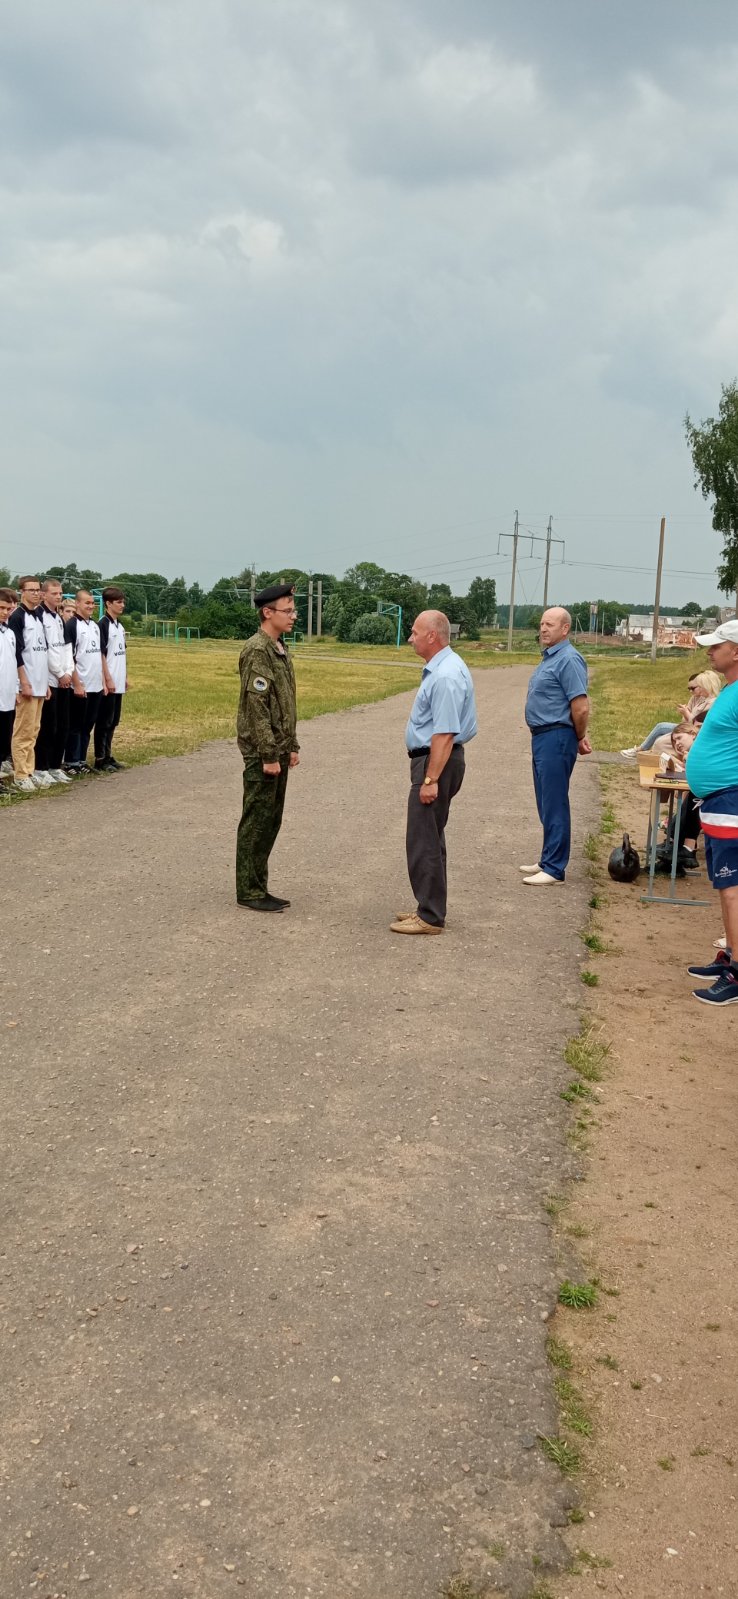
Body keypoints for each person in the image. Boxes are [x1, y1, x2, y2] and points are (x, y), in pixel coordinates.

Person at [390, 610, 477, 935]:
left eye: (414, 632)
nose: (410, 638)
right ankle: (429, 907)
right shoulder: (445, 667)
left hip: (436, 761)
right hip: (437, 760)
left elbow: (444, 733)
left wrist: (430, 779)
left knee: (423, 838)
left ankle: (429, 916)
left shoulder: (445, 676)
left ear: (432, 636)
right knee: (431, 835)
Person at [682, 620, 738, 1005]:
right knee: (724, 885)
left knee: (733, 887)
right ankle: (731, 956)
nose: (709, 651)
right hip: (718, 801)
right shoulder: (731, 691)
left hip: (730, 800)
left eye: (717, 645)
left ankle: (737, 974)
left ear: (736, 651)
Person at [235, 582, 300, 912]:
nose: (293, 615)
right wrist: (268, 755)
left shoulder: (279, 647)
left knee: (271, 820)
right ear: (267, 612)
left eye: (293, 610)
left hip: (279, 747)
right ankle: (249, 890)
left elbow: (285, 701)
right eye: (287, 610)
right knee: (257, 821)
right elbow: (257, 706)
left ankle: (259, 885)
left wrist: (292, 744)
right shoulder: (257, 649)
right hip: (263, 752)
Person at [521, 606, 590, 885]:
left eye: (549, 624)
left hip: (556, 736)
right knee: (545, 801)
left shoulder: (569, 659)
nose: (543, 629)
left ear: (565, 629)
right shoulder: (551, 657)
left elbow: (580, 706)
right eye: (541, 624)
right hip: (542, 736)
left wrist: (579, 736)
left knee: (555, 801)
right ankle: (547, 857)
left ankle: (554, 868)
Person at [8, 576, 51, 793]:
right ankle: (20, 774)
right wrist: (23, 681)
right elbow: (16, 653)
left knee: (34, 729)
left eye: (37, 590)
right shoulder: (18, 617)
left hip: (40, 683)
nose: (36, 593)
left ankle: (30, 770)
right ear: (22, 592)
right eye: (31, 590)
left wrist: (46, 683)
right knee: (23, 730)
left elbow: (42, 651)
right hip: (27, 683)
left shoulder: (39, 615)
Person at [620, 670, 722, 757]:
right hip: (686, 729)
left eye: (695, 687)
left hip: (693, 732)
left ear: (706, 686)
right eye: (689, 689)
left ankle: (641, 751)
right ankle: (646, 753)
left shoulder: (713, 702)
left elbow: (699, 725)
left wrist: (687, 713)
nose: (691, 691)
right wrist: (685, 714)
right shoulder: (698, 698)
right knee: (660, 735)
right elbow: (684, 722)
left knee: (661, 729)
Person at [34, 577, 74, 786]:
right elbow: (46, 650)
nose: (58, 597)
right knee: (48, 726)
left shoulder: (58, 618)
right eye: (54, 593)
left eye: (60, 593)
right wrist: (59, 673)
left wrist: (68, 671)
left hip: (64, 679)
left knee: (63, 725)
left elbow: (66, 647)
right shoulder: (39, 616)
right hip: (50, 679)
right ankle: (41, 767)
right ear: (43, 595)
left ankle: (55, 766)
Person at [64, 590, 104, 774]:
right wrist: (77, 684)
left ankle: (81, 760)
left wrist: (103, 681)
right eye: (87, 603)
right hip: (80, 685)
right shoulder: (72, 625)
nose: (90, 606)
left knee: (88, 724)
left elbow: (99, 654)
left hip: (95, 685)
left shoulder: (94, 626)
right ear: (77, 604)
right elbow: (69, 657)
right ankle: (71, 762)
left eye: (92, 603)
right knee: (76, 725)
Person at [94, 586, 129, 771]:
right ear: (108, 603)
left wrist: (125, 676)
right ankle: (100, 758)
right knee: (104, 721)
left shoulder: (119, 625)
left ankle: (108, 754)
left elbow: (121, 653)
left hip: (119, 680)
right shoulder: (103, 624)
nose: (122, 605)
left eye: (123, 602)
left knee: (113, 720)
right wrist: (107, 679)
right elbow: (101, 654)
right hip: (109, 682)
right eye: (118, 602)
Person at [0, 587, 19, 779]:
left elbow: (12, 663)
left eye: (8, 609)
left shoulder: (9, 633)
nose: (5, 612)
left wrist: (15, 688)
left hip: (7, 695)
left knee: (5, 735)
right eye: (1, 608)